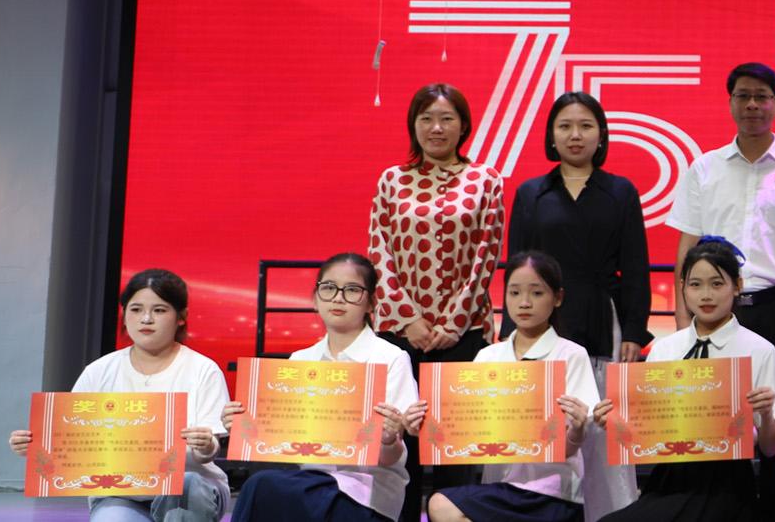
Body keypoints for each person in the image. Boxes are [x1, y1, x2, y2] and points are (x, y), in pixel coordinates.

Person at [665, 64, 775, 521]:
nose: (752, 105)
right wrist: (682, 321)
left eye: (762, 96)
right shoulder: (704, 168)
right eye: (743, 96)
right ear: (730, 103)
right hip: (711, 312)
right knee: (706, 419)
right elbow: (686, 246)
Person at [368, 82, 502, 520]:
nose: (436, 128)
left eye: (446, 119)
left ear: (463, 126)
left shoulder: (486, 180)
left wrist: (452, 324)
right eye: (426, 119)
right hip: (401, 335)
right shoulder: (392, 180)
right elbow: (379, 251)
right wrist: (409, 320)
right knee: (399, 446)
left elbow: (486, 255)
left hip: (463, 335)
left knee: (454, 448)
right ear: (414, 125)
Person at [9, 269, 230, 522]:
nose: (146, 319)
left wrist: (205, 446)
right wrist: (36, 446)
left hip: (188, 488)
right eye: (136, 309)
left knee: (187, 484)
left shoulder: (203, 370)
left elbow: (208, 452)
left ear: (181, 317)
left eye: (159, 310)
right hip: (121, 491)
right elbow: (68, 440)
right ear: (124, 314)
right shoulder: (99, 371)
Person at [227, 254, 420, 522]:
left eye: (352, 290)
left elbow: (391, 455)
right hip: (309, 482)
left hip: (366, 489)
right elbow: (277, 439)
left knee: (265, 487)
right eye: (329, 288)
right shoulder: (300, 361)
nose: (338, 298)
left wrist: (389, 438)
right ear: (315, 298)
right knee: (261, 487)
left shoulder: (391, 358)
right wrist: (242, 424)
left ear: (371, 303)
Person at [601, 238, 775, 521]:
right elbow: (645, 433)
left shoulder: (760, 350)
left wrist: (767, 416)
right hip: (668, 479)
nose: (706, 295)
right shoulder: (666, 349)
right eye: (696, 285)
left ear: (737, 286)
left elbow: (771, 448)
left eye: (717, 284)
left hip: (728, 484)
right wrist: (615, 421)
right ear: (683, 287)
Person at [427, 252, 601, 522]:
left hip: (555, 490)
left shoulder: (571, 355)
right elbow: (465, 430)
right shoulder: (489, 357)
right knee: (440, 506)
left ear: (558, 298)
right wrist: (427, 422)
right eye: (515, 292)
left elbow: (571, 446)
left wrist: (577, 430)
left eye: (537, 293)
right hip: (500, 487)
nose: (524, 302)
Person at [507, 91, 652, 363]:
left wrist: (634, 331)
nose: (575, 135)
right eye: (565, 126)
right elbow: (515, 268)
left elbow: (635, 269)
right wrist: (508, 330)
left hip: (602, 318)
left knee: (599, 389)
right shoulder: (530, 193)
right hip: (542, 317)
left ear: (601, 135)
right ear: (551, 135)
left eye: (586, 126)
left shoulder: (621, 192)